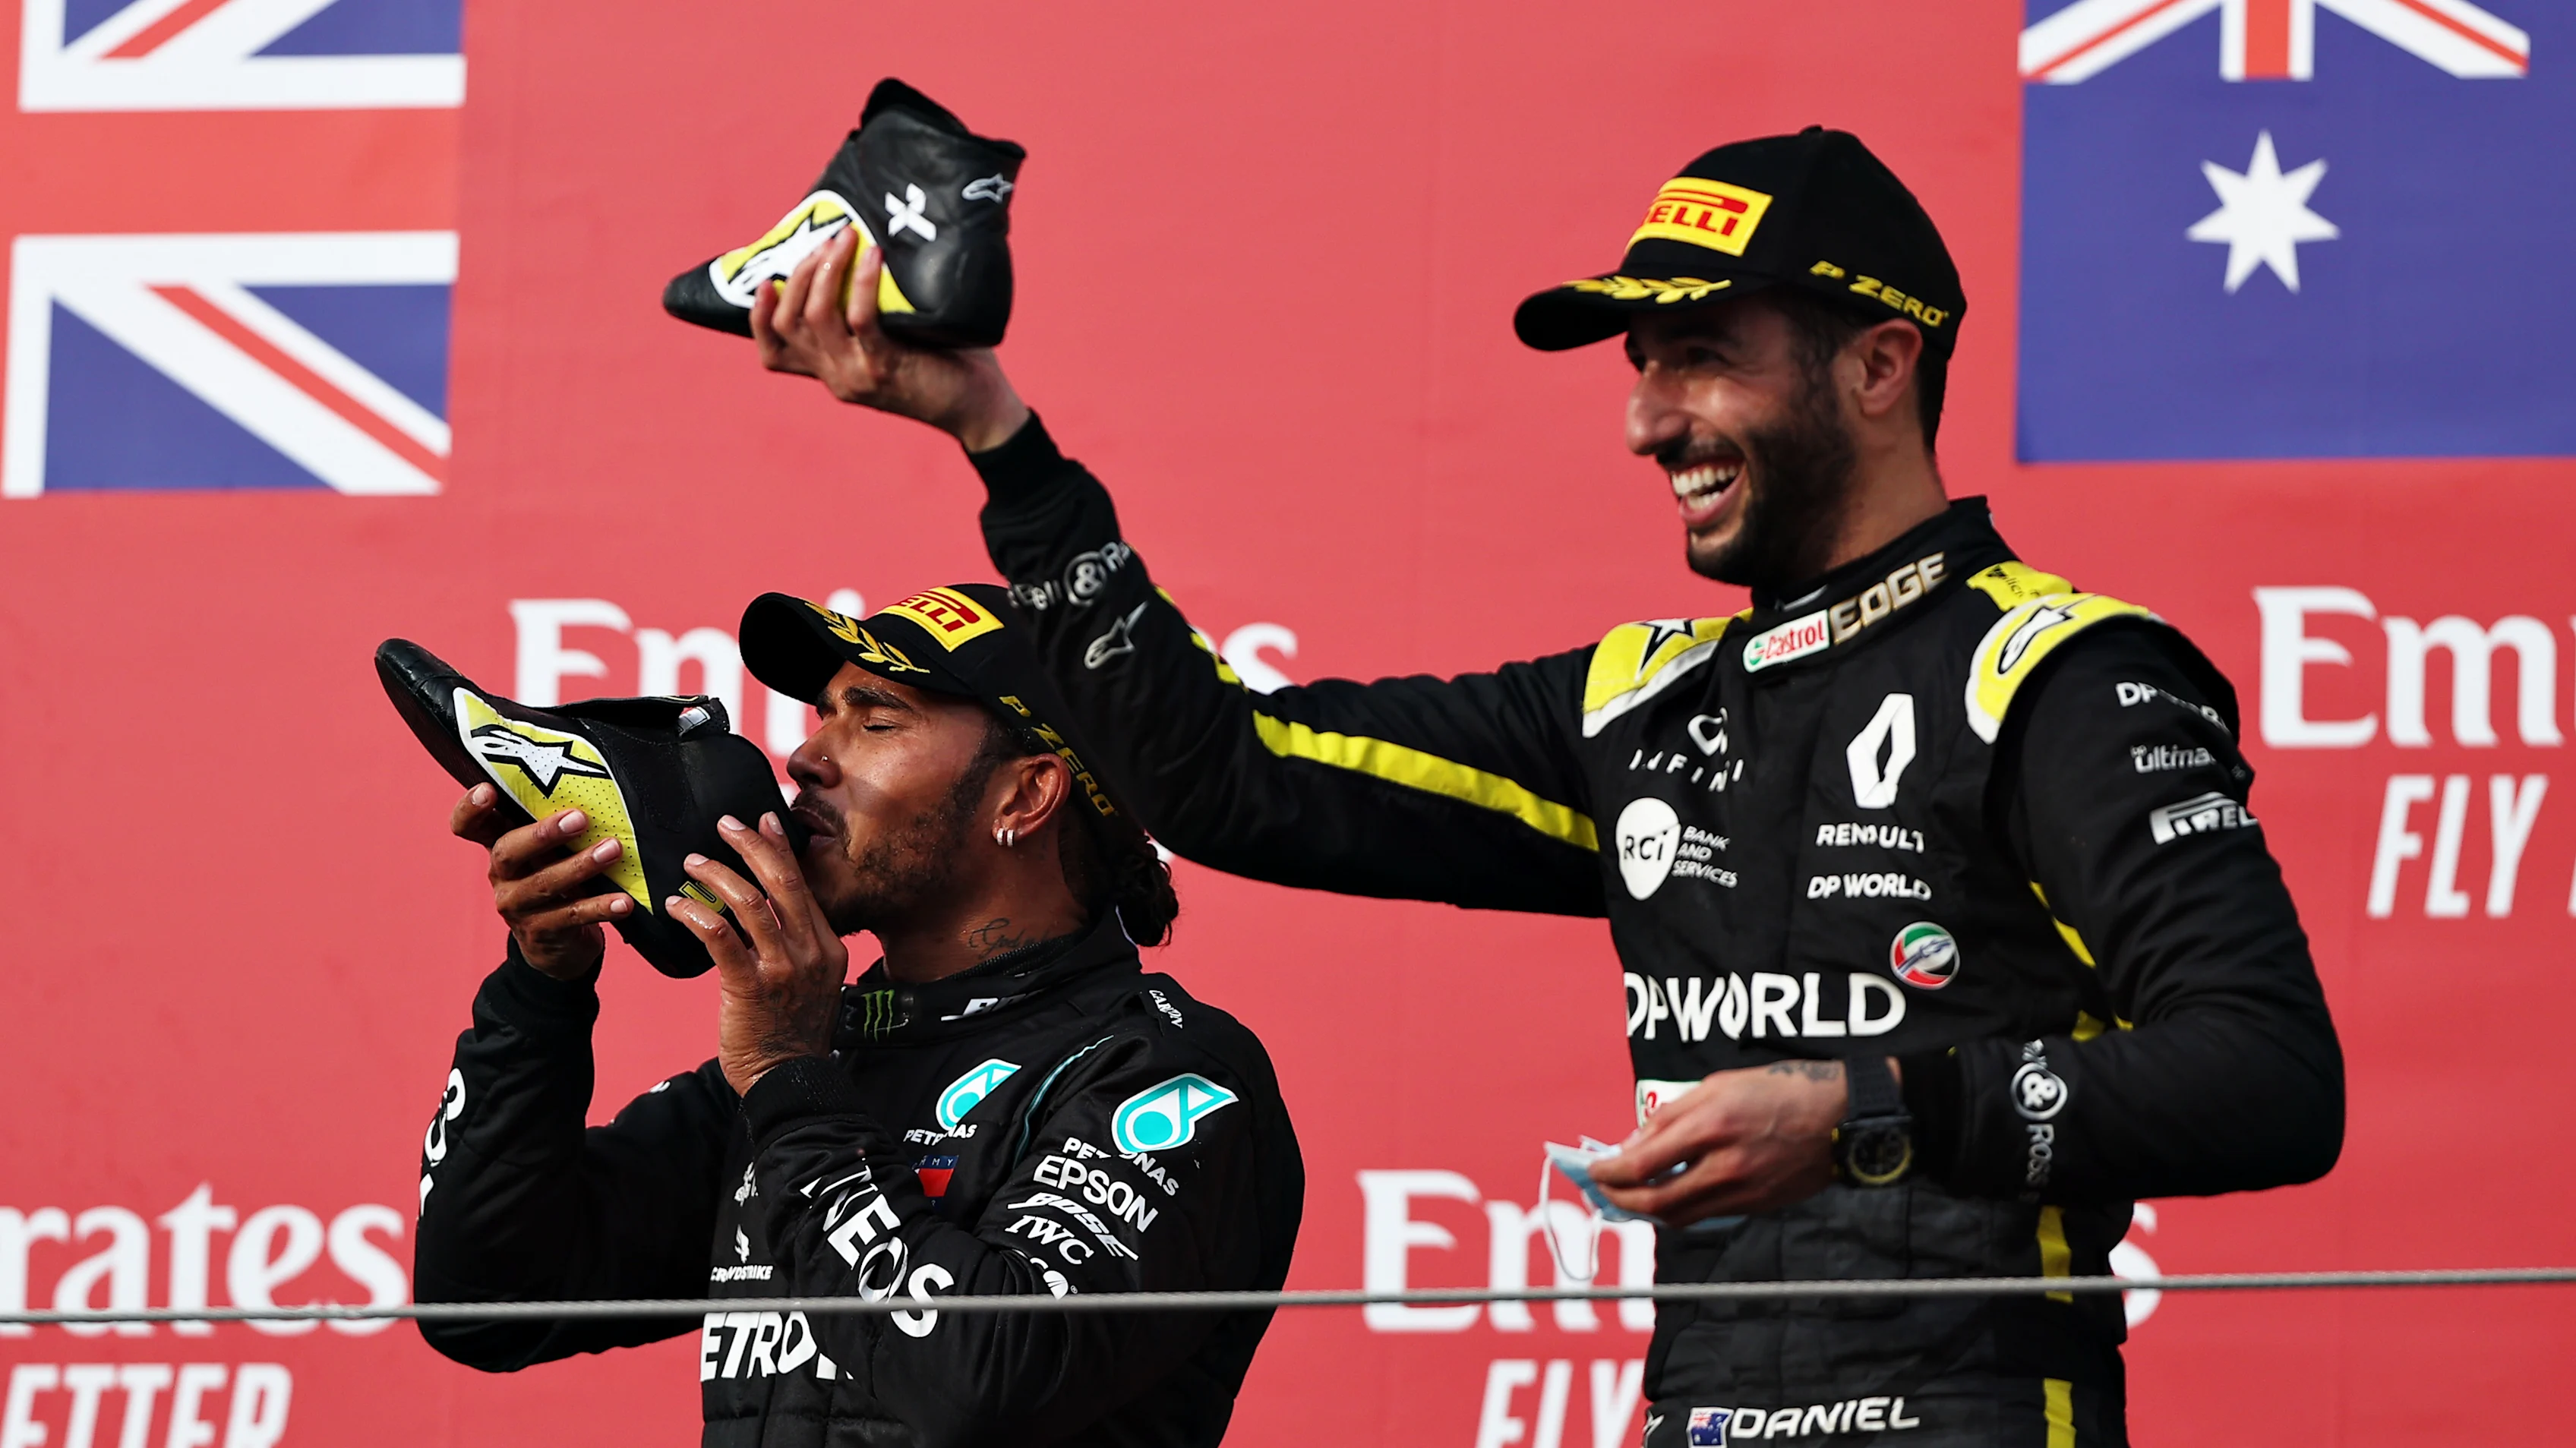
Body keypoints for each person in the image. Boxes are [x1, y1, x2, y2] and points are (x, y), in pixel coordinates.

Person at [747, 127, 2344, 1446]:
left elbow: (2271, 1073)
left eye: (1702, 359)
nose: (1650, 420)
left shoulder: (2060, 674)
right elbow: (1227, 776)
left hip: (1978, 1408)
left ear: (1881, 362)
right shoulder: (1636, 704)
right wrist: (1000, 439)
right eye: (1643, 368)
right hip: (1695, 1413)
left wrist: (1863, 1111)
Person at [410, 582, 1305, 1448]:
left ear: (1025, 796)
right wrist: (543, 985)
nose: (805, 757)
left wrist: (789, 1078)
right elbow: (483, 1293)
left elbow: (974, 1385)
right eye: (823, 715)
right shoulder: (821, 1062)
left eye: (874, 721)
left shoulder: (1165, 1072)